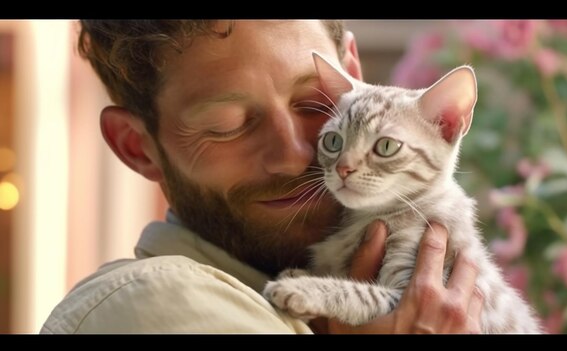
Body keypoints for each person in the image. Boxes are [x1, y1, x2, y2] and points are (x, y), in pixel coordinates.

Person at [41, 20, 483, 334]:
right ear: (136, 147)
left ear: (352, 75)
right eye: (227, 125)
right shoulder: (158, 305)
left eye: (314, 105)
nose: (293, 157)